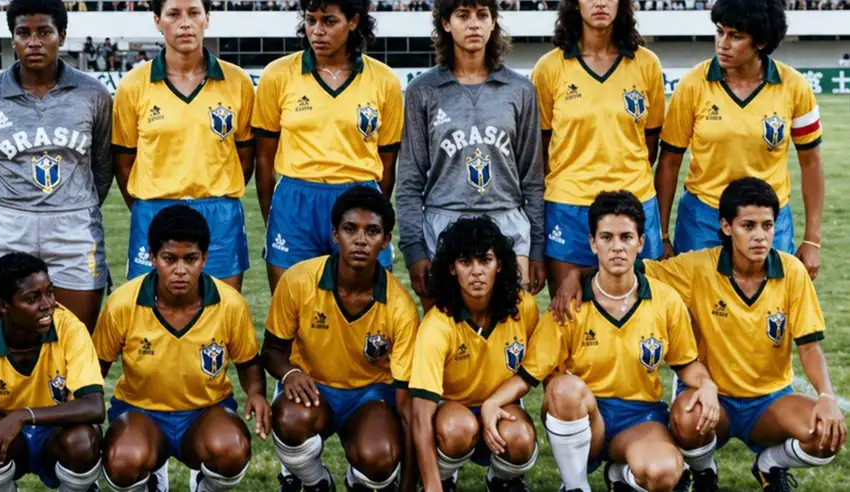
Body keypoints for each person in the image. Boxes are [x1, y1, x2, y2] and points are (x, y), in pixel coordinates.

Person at [552, 177, 844, 491]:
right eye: (748, 225)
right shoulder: (697, 268)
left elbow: (810, 348)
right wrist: (574, 275)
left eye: (767, 225)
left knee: (826, 434)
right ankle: (705, 472)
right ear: (727, 227)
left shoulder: (792, 272)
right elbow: (628, 266)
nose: (760, 236)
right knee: (686, 418)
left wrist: (825, 396)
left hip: (770, 401)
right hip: (713, 400)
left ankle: (770, 465)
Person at [482, 191, 720, 492]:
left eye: (626, 237)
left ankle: (621, 475)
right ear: (593, 243)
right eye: (606, 237)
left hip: (640, 417)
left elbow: (687, 365)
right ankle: (574, 485)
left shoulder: (665, 300)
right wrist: (493, 402)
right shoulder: (568, 303)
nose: (617, 247)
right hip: (584, 416)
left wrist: (707, 384)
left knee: (664, 473)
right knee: (563, 387)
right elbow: (530, 375)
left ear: (641, 242)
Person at [0, 0, 113, 330]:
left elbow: (101, 168)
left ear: (62, 35)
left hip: (73, 226)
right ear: (12, 38)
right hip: (5, 224)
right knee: (3, 343)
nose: (34, 42)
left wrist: (72, 203)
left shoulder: (93, 95)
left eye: (44, 32)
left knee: (74, 340)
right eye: (23, 33)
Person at [93, 204, 270, 491]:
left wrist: (256, 393)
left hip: (205, 412)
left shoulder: (229, 304)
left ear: (204, 259)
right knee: (123, 459)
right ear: (152, 258)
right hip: (141, 411)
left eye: (190, 259)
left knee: (232, 448)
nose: (180, 270)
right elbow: (96, 368)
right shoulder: (122, 303)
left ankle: (205, 485)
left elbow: (248, 362)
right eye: (169, 259)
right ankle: (147, 482)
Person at [396, 0, 545, 309]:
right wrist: (415, 249)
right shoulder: (423, 91)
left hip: (507, 220)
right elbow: (409, 182)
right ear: (446, 24)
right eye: (463, 15)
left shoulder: (520, 90)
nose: (473, 24)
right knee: (449, 334)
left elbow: (533, 179)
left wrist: (536, 246)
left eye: (482, 15)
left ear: (494, 23)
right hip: (444, 221)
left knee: (511, 335)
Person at [656, 0, 823, 278]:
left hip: (768, 219)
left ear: (760, 42)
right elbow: (669, 162)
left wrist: (812, 239)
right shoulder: (692, 84)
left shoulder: (795, 86)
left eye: (736, 36)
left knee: (769, 313)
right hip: (703, 218)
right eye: (720, 32)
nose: (723, 43)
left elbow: (810, 163)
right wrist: (662, 235)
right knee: (697, 316)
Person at [253, 0, 404, 292]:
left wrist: (370, 206)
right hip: (295, 202)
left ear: (353, 21)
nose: (317, 31)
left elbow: (387, 163)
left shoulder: (384, 80)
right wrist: (276, 216)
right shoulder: (277, 75)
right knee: (292, 311)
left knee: (365, 311)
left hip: (358, 198)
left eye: (329, 21)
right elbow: (263, 160)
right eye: (311, 20)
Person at [263, 185, 419, 492]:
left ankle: (361, 481)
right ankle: (316, 482)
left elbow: (407, 407)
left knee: (380, 455)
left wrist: (409, 485)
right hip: (315, 388)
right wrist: (290, 372)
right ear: (335, 234)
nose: (360, 240)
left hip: (370, 396)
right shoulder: (298, 280)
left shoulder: (401, 307)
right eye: (350, 229)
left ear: (386, 241)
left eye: (372, 231)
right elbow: (270, 350)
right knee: (289, 418)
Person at [530, 0, 666, 295]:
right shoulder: (549, 68)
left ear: (622, 0)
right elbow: (542, 147)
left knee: (639, 316)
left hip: (634, 203)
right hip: (569, 206)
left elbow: (650, 142)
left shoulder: (646, 65)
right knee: (570, 316)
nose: (600, 2)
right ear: (575, 2)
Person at [113, 0, 256, 291]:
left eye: (193, 13)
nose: (185, 23)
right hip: (154, 210)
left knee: (220, 315)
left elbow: (245, 157)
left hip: (219, 213)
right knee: (152, 320)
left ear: (208, 18)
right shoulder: (133, 85)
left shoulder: (238, 82)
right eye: (174, 14)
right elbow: (123, 162)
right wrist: (148, 205)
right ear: (157, 21)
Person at [0, 252, 106, 492]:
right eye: (32, 298)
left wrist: (22, 415)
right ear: (3, 306)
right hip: (8, 439)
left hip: (57, 434)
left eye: (49, 292)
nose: (48, 305)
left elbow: (95, 407)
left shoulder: (70, 328)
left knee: (83, 439)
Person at [409, 217, 540, 492]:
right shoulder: (437, 325)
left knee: (521, 437)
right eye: (466, 262)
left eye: (485, 260)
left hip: (503, 407)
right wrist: (432, 486)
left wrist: (495, 403)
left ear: (500, 265)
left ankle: (503, 481)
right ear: (452, 269)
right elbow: (421, 415)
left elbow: (534, 371)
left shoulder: (524, 308)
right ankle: (443, 477)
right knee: (459, 428)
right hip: (452, 414)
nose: (477, 271)